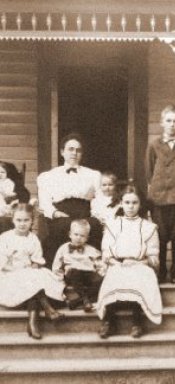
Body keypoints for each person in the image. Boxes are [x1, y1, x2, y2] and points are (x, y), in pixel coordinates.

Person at [96, 186, 162, 339]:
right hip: (117, 263)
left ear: (140, 205)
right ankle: (109, 322)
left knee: (139, 277)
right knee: (115, 275)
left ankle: (136, 322)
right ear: (120, 204)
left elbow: (153, 256)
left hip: (140, 264)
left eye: (134, 203)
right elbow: (106, 251)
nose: (131, 206)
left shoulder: (149, 228)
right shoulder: (112, 226)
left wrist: (141, 262)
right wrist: (114, 262)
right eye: (127, 202)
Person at [0, 204, 65, 339]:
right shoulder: (5, 238)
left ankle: (32, 324)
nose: (22, 224)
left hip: (27, 273)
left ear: (31, 221)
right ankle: (48, 309)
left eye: (26, 220)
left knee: (33, 280)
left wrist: (32, 269)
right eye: (19, 220)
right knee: (30, 281)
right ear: (13, 220)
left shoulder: (33, 238)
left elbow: (36, 260)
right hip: (8, 275)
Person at [37, 133, 103, 267]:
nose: (74, 153)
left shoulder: (93, 175)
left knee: (93, 226)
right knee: (63, 227)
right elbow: (44, 201)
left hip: (84, 214)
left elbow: (98, 199)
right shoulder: (49, 176)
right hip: (61, 215)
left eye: (78, 150)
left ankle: (91, 268)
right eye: (70, 149)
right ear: (62, 152)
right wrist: (55, 213)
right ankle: (60, 268)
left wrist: (94, 215)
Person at [145, 104, 175, 284]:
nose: (172, 124)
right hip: (159, 198)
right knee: (161, 236)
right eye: (168, 121)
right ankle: (162, 269)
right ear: (162, 123)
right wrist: (157, 188)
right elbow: (149, 171)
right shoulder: (154, 145)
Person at [52, 219, 104, 312]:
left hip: (88, 274)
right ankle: (85, 299)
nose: (79, 238)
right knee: (75, 273)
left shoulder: (91, 250)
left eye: (82, 236)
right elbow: (57, 266)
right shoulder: (63, 248)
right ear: (70, 234)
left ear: (87, 238)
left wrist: (100, 273)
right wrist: (59, 281)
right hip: (73, 274)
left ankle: (77, 302)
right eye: (76, 234)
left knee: (101, 280)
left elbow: (100, 263)